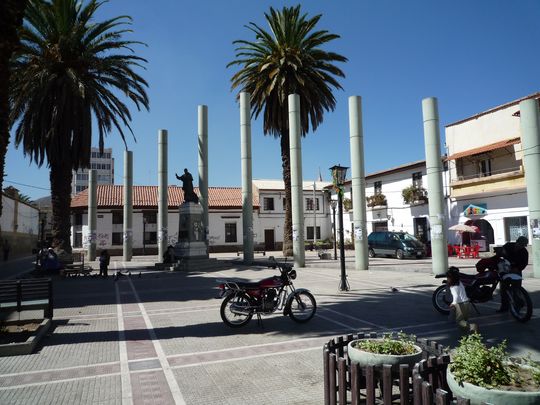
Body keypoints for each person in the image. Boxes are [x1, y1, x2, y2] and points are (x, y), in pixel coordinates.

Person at [496, 236, 529, 313]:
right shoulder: (509, 246)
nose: (521, 247)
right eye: (520, 244)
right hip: (505, 269)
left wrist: (518, 268)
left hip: (516, 270)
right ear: (517, 242)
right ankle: (504, 307)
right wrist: (500, 253)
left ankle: (517, 306)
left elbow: (524, 263)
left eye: (523, 245)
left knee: (516, 289)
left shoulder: (524, 252)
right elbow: (500, 253)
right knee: (504, 289)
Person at [447, 267, 478, 333]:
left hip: (461, 305)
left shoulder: (454, 287)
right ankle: (467, 334)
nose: (447, 279)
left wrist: (453, 304)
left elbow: (456, 296)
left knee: (459, 321)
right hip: (466, 303)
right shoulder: (460, 283)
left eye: (448, 278)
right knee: (464, 321)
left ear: (451, 278)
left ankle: (472, 326)